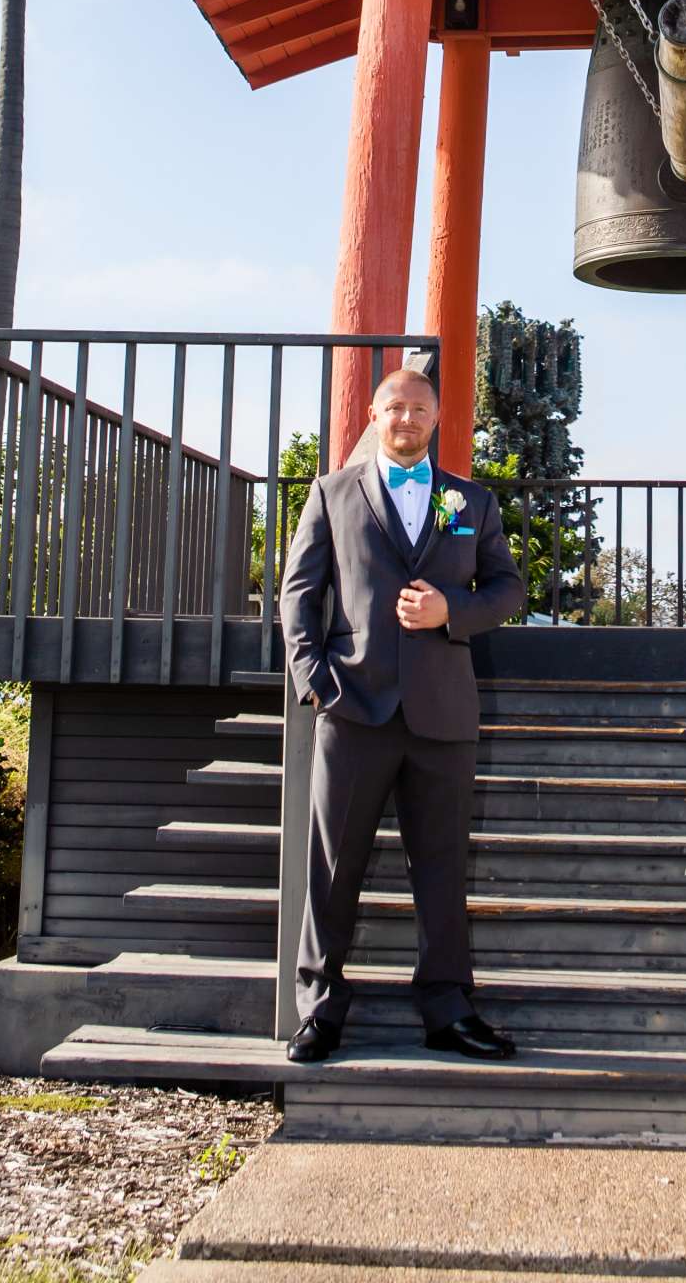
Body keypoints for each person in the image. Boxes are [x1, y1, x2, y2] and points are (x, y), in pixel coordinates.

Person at [278, 365, 525, 1064]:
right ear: (374, 414)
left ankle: (448, 1008)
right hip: (353, 707)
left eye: (420, 409)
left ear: (437, 417)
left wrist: (455, 612)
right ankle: (320, 1010)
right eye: (396, 408)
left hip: (443, 715)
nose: (408, 419)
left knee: (444, 868)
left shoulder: (469, 502)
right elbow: (299, 593)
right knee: (332, 868)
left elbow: (508, 587)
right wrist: (314, 679)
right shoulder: (330, 495)